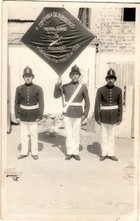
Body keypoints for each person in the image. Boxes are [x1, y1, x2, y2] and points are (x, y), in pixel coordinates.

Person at [54, 65, 90, 161]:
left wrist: (85, 114)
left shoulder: (83, 87)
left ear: (79, 76)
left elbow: (87, 102)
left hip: (78, 114)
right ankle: (69, 152)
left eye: (77, 74)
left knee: (76, 134)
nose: (75, 76)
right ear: (70, 76)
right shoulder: (65, 86)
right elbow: (56, 95)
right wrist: (58, 85)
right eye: (73, 74)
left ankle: (76, 152)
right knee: (69, 134)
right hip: (67, 113)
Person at [15, 66, 44, 160]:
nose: (28, 77)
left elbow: (41, 103)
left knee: (34, 134)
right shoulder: (19, 89)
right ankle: (24, 152)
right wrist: (17, 115)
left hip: (33, 115)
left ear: (32, 77)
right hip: (23, 114)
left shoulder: (38, 88)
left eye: (29, 76)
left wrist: (40, 115)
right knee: (23, 134)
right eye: (26, 76)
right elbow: (16, 103)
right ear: (23, 77)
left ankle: (35, 152)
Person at [94, 68, 123, 161]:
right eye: (109, 78)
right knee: (104, 136)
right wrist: (97, 117)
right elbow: (97, 103)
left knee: (111, 136)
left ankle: (111, 154)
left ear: (114, 80)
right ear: (106, 79)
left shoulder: (118, 90)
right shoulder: (100, 90)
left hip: (114, 117)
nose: (110, 80)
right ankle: (103, 153)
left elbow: (120, 105)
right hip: (104, 116)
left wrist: (120, 117)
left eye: (112, 78)